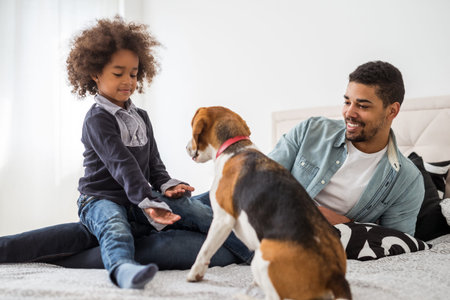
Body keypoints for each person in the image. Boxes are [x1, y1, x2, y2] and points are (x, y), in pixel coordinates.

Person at [0, 16, 253, 289]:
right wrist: (148, 200)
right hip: (100, 200)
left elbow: (154, 165)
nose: (128, 81)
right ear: (95, 74)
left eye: (133, 74)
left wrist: (169, 186)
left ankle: (253, 250)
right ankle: (123, 269)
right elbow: (122, 165)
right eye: (118, 73)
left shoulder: (141, 117)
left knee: (195, 209)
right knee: (114, 228)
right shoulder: (97, 119)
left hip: (136, 201)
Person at [269, 60, 424, 235]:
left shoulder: (407, 181)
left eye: (363, 106)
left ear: (392, 111)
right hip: (266, 223)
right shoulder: (310, 131)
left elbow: (396, 244)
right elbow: (260, 181)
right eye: (347, 102)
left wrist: (345, 225)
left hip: (318, 245)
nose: (349, 113)